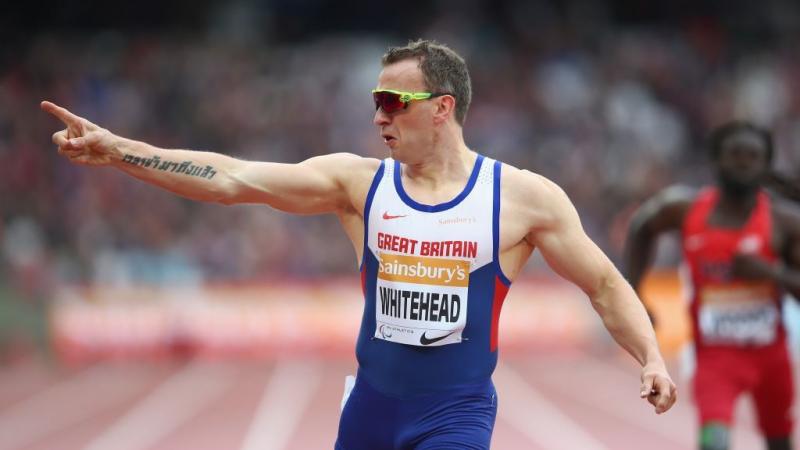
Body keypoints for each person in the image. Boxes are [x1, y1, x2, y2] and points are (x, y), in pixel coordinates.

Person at [44, 39, 676, 449]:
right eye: (375, 101)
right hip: (371, 412)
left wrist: (648, 355)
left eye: (391, 101)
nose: (378, 116)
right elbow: (234, 178)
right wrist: (119, 151)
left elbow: (602, 284)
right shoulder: (358, 184)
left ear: (441, 108)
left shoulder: (521, 199)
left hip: (453, 415)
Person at [625, 121, 800, 450]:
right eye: (734, 154)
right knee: (713, 442)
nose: (743, 162)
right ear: (717, 160)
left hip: (771, 356)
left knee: (780, 441)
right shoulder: (685, 209)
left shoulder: (783, 221)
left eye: (752, 156)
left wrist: (770, 272)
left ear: (765, 164)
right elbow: (641, 226)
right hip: (715, 357)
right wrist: (634, 294)